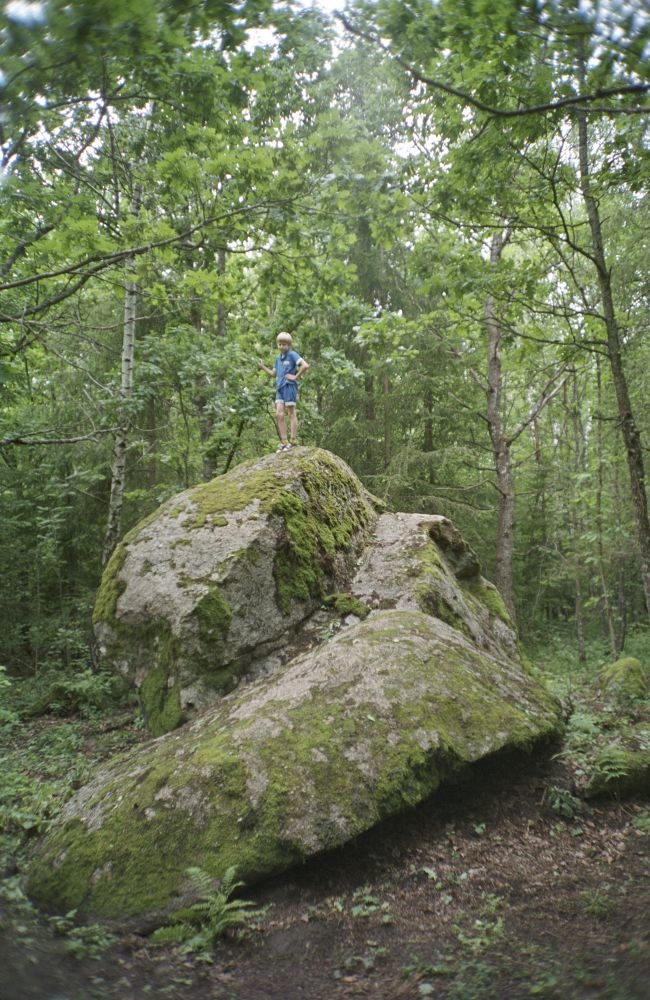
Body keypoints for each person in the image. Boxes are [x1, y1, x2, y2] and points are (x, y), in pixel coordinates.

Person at [258, 332, 309, 451]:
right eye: (280, 344)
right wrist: (263, 367)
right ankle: (284, 441)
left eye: (284, 344)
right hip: (279, 388)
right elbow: (273, 374)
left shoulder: (292, 355)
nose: (282, 346)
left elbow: (305, 366)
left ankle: (293, 440)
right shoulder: (277, 358)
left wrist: (295, 376)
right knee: (279, 414)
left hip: (289, 386)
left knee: (291, 413)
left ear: (289, 345)